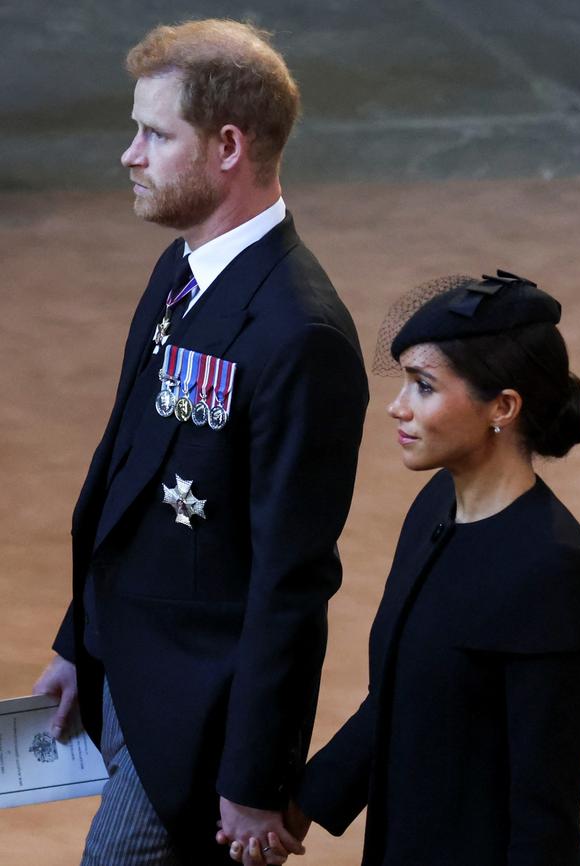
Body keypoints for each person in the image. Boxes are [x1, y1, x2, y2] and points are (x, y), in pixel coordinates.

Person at [31, 19, 368, 866]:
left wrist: (257, 776)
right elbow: (130, 478)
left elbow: (293, 582)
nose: (128, 155)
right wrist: (81, 641)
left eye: (154, 133)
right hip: (121, 669)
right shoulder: (182, 271)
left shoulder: (300, 335)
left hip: (194, 719)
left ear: (227, 146)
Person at [289, 271, 580, 866]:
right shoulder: (434, 510)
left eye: (423, 387)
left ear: (503, 407)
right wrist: (301, 807)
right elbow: (396, 700)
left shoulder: (555, 573)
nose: (397, 407)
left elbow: (542, 813)